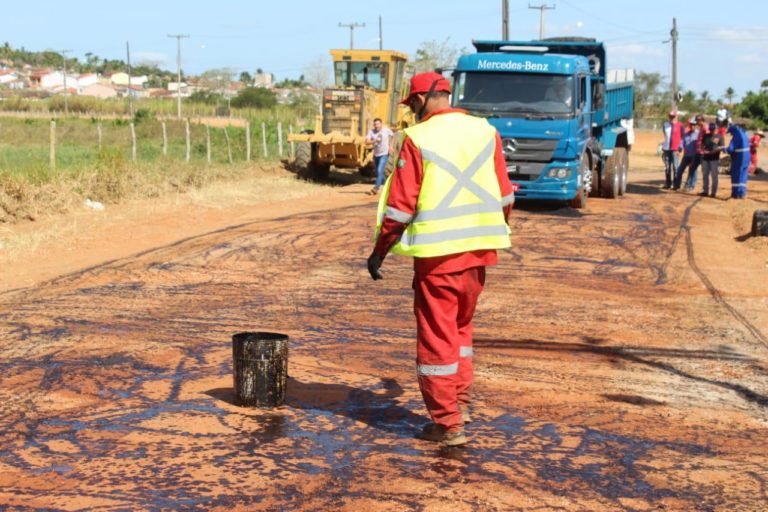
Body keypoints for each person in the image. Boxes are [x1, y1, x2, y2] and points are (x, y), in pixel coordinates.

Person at [366, 72, 515, 447]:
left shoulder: (418, 138)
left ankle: (448, 423)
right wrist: (485, 233)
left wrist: (379, 251)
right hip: (479, 255)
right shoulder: (486, 132)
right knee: (461, 334)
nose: (412, 111)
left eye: (412, 104)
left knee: (437, 339)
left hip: (438, 260)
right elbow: (505, 198)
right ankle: (459, 406)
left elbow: (400, 209)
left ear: (422, 100)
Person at [365, 118, 395, 195]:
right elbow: (367, 142)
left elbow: (393, 136)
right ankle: (388, 185)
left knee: (379, 170)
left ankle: (376, 188)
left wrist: (391, 146)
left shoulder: (386, 130)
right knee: (379, 173)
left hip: (384, 154)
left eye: (378, 124)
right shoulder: (371, 132)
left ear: (381, 124)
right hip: (376, 155)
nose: (376, 126)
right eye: (375, 124)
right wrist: (374, 141)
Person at [725, 122, 751, 198]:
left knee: (736, 175)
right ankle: (742, 192)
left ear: (733, 131)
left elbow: (730, 149)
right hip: (747, 157)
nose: (731, 134)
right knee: (743, 175)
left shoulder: (736, 136)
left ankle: (736, 193)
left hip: (739, 158)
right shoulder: (744, 134)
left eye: (731, 133)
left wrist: (723, 149)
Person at [674, 118, 700, 191]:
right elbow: (682, 143)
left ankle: (691, 186)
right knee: (680, 170)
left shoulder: (698, 134)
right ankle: (677, 185)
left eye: (694, 125)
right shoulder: (686, 134)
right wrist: (679, 150)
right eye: (691, 125)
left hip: (694, 156)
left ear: (697, 125)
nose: (692, 126)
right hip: (686, 155)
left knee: (692, 171)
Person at [700, 122, 724, 197]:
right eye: (711, 129)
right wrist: (703, 150)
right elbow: (702, 145)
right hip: (705, 158)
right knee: (705, 175)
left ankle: (713, 192)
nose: (712, 131)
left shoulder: (720, 137)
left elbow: (722, 147)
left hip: (714, 159)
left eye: (713, 129)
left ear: (716, 129)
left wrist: (714, 151)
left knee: (714, 176)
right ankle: (705, 191)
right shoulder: (706, 136)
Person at [661, 111, 684, 189]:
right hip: (667, 149)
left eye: (673, 116)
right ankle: (668, 183)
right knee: (667, 167)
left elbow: (683, 138)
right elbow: (665, 136)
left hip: (675, 150)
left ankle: (676, 185)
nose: (671, 118)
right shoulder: (665, 125)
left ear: (676, 117)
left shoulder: (680, 125)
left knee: (675, 167)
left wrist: (680, 149)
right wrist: (663, 148)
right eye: (670, 116)